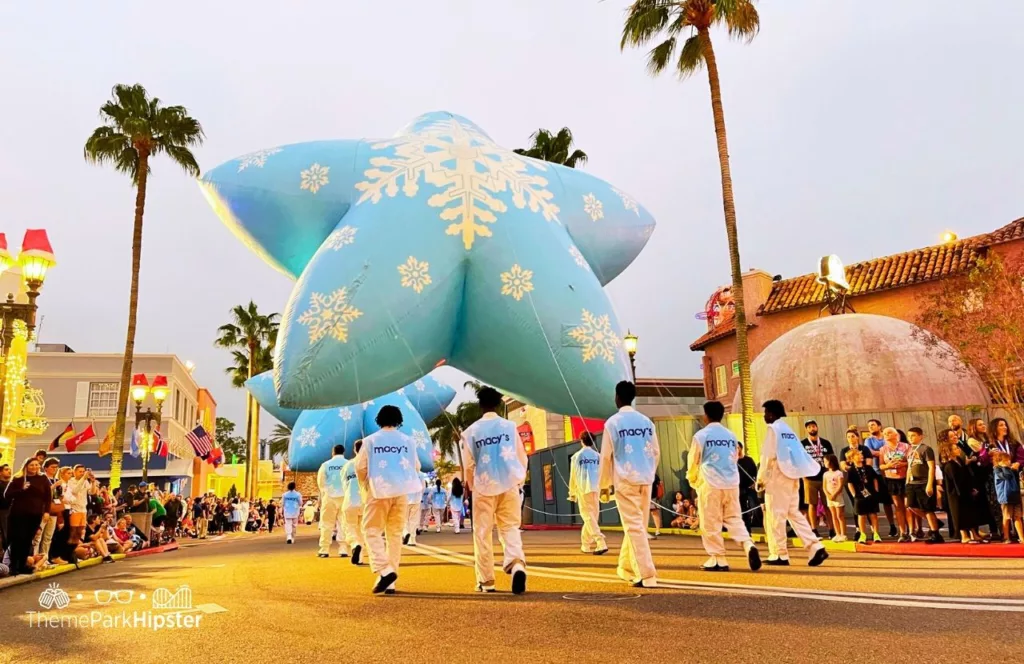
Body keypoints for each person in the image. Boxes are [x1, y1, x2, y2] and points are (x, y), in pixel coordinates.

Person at [461, 386, 529, 594]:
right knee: (510, 528)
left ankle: (487, 581)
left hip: (483, 486)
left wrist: (471, 487)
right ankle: (516, 564)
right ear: (499, 404)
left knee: (482, 534)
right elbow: (521, 456)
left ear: (480, 405)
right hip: (509, 484)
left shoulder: (470, 432)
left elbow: (469, 465)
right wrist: (519, 479)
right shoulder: (509, 427)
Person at [687, 400, 761, 572]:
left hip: (710, 482)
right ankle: (748, 544)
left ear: (706, 415)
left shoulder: (701, 436)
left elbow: (693, 460)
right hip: (732, 482)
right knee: (734, 518)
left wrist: (692, 478)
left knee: (710, 520)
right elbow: (735, 458)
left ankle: (717, 558)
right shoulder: (731, 435)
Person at [599, 381, 660, 588]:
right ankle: (626, 567)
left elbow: (606, 457)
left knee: (633, 527)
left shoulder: (613, 423)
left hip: (625, 480)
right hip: (646, 478)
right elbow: (656, 452)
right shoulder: (646, 422)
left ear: (617, 397)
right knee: (639, 526)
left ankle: (647, 573)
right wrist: (650, 471)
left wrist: (604, 484)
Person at [356, 405, 421, 594]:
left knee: (371, 530)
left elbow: (360, 468)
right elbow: (416, 466)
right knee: (394, 534)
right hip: (401, 492)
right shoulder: (408, 441)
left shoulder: (370, 441)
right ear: (398, 420)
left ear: (379, 420)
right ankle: (391, 580)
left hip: (378, 490)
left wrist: (366, 484)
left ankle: (384, 570)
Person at [756, 400, 828, 567]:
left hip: (777, 477)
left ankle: (779, 554)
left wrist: (760, 480)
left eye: (766, 413)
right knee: (793, 514)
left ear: (772, 414)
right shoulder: (789, 430)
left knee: (776, 516)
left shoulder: (773, 429)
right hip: (792, 477)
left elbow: (767, 456)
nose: (765, 416)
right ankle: (815, 547)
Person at [3, 458, 51, 575]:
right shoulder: (18, 478)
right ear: (26, 466)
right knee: (18, 539)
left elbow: (48, 497)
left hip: (35, 514)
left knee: (27, 540)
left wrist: (46, 512)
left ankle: (23, 565)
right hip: (19, 514)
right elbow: (7, 495)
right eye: (31, 465)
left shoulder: (43, 478)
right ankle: (14, 566)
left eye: (36, 465)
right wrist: (21, 489)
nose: (34, 467)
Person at [569, 431, 607, 555]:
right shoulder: (598, 456)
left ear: (581, 441)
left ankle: (600, 541)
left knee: (588, 516)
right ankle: (585, 544)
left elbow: (573, 475)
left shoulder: (577, 456)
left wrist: (572, 491)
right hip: (596, 488)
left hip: (583, 488)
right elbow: (603, 474)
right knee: (592, 517)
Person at [941, 433, 983, 544]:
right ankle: (964, 535)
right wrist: (964, 492)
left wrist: (972, 488)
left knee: (970, 513)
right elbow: (956, 482)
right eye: (955, 448)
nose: (958, 449)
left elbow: (965, 476)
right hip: (957, 494)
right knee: (960, 515)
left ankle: (974, 534)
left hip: (965, 491)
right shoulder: (949, 465)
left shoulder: (959, 461)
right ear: (949, 451)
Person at [905, 427, 943, 543]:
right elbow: (909, 466)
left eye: (913, 435)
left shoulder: (926, 449)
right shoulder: (910, 450)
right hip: (912, 482)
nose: (910, 438)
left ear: (920, 436)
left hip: (923, 482)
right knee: (910, 505)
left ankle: (935, 534)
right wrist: (907, 481)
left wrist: (930, 484)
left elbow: (931, 467)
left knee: (927, 508)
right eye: (909, 436)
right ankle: (936, 523)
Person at [800, 421, 835, 537]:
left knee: (828, 504)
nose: (812, 428)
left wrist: (831, 474)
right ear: (806, 429)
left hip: (825, 477)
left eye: (814, 426)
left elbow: (832, 458)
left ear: (817, 427)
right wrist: (804, 477)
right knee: (812, 504)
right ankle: (814, 529)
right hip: (810, 478)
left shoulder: (825, 443)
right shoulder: (803, 444)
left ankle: (832, 529)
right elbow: (799, 461)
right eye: (809, 427)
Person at [863, 419, 897, 537]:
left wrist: (882, 452)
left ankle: (904, 526)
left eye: (873, 425)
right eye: (869, 426)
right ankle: (891, 525)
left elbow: (894, 449)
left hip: (893, 472)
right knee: (885, 502)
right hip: (878, 473)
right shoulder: (869, 440)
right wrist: (884, 452)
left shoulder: (886, 437)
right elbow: (870, 452)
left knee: (897, 500)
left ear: (880, 426)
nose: (870, 427)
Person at [878, 427, 911, 542]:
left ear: (896, 434)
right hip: (891, 479)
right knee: (898, 506)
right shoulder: (883, 449)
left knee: (908, 505)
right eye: (885, 433)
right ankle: (902, 531)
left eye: (889, 432)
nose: (886, 434)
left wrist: (902, 464)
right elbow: (881, 465)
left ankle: (912, 531)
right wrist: (888, 466)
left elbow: (911, 461)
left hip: (905, 478)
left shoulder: (906, 446)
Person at [317, 444, 349, 559]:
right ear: (343, 452)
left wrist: (325, 493)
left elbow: (321, 483)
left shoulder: (325, 465)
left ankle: (324, 549)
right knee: (344, 524)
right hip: (345, 497)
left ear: (333, 452)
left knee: (326, 524)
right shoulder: (348, 464)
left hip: (329, 497)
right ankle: (343, 549)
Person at [844, 449, 882, 543]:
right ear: (852, 458)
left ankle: (876, 534)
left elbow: (874, 479)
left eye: (861, 454)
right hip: (859, 495)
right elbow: (850, 483)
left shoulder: (868, 468)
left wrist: (876, 491)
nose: (861, 456)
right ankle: (863, 534)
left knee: (873, 514)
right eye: (858, 455)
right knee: (862, 515)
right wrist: (854, 495)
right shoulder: (851, 470)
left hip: (871, 493)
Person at [342, 440, 365, 565]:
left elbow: (344, 484)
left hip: (350, 500)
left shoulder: (348, 465)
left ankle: (355, 544)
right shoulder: (370, 463)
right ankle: (360, 558)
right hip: (365, 501)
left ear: (354, 450)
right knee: (363, 530)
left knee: (350, 527)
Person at [992, 451, 1024, 544]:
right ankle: (1006, 536)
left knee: (1017, 516)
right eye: (1006, 460)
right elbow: (1006, 476)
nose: (1009, 462)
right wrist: (1006, 467)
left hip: (1014, 495)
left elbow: (1014, 478)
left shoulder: (1010, 469)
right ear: (999, 461)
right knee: (1006, 517)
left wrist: (1015, 470)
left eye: (1009, 460)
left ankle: (1021, 537)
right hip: (1005, 496)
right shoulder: (997, 469)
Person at [821, 455, 846, 542]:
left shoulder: (839, 473)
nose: (824, 463)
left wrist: (835, 494)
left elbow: (840, 485)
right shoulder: (825, 474)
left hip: (837, 496)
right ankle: (837, 533)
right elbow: (824, 487)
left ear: (831, 462)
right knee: (833, 515)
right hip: (829, 497)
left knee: (840, 515)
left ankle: (843, 534)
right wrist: (828, 495)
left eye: (826, 461)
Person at [736, 442, 760, 531]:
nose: (736, 450)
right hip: (739, 489)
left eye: (737, 448)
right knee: (742, 509)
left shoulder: (749, 460)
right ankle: (746, 530)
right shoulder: (733, 461)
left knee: (755, 505)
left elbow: (756, 473)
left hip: (750, 488)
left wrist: (755, 482)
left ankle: (757, 523)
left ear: (741, 448)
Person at [403, 472, 424, 546]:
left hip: (404, 499)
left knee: (404, 520)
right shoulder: (420, 474)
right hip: (416, 499)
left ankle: (405, 533)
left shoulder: (403, 471)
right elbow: (422, 488)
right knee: (413, 520)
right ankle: (412, 539)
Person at [0, 463, 11, 555]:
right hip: (3, 511)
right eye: (6, 469)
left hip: (12, 511)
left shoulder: (12, 484)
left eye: (9, 469)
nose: (9, 471)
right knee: (5, 534)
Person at [648, 473, 664, 539]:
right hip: (643, 496)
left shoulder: (653, 474)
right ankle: (643, 530)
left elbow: (660, 485)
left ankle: (657, 529)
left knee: (654, 512)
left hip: (653, 496)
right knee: (643, 514)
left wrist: (660, 494)